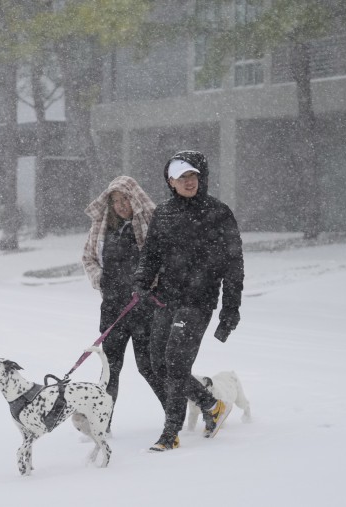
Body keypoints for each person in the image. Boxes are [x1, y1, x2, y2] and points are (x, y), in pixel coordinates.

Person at [132, 150, 244, 451]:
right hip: (166, 298)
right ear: (170, 181)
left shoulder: (218, 213)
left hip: (199, 301)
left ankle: (171, 433)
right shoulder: (164, 213)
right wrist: (141, 282)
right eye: (183, 177)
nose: (189, 182)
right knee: (157, 363)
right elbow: (151, 254)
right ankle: (212, 405)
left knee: (176, 363)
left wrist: (230, 310)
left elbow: (234, 265)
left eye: (193, 176)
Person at [82, 175, 166, 432]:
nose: (120, 205)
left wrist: (150, 286)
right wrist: (101, 280)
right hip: (112, 310)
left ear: (135, 198)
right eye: (115, 201)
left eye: (124, 199)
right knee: (110, 370)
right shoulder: (103, 229)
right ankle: (102, 424)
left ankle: (176, 412)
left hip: (144, 310)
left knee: (149, 367)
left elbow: (162, 262)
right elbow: (88, 258)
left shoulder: (149, 226)